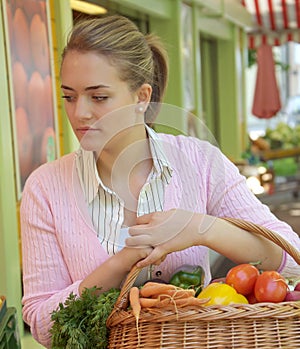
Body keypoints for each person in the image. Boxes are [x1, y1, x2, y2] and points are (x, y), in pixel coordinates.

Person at [20, 14, 300, 348]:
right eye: (69, 96)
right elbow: (42, 325)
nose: (79, 113)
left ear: (141, 97)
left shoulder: (200, 162)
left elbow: (292, 261)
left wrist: (199, 229)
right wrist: (123, 261)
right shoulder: (45, 188)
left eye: (98, 97)